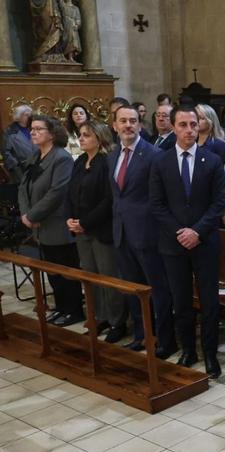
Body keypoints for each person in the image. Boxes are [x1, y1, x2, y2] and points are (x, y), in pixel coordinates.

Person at [149, 105, 225, 379]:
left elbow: (218, 204)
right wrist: (181, 232)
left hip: (205, 243)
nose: (189, 130)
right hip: (173, 244)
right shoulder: (161, 162)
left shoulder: (213, 160)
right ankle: (188, 351)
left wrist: (197, 232)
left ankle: (211, 354)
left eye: (193, 124)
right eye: (183, 125)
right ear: (173, 127)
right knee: (180, 301)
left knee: (209, 302)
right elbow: (157, 205)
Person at [109, 105, 174, 352]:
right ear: (114, 125)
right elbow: (117, 196)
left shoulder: (154, 155)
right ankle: (142, 335)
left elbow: (160, 198)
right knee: (133, 289)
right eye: (123, 121)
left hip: (148, 234)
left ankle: (164, 340)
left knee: (157, 290)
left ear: (140, 124)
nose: (128, 125)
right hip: (122, 233)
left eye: (133, 121)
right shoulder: (113, 156)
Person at [19, 115, 84, 327]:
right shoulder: (35, 156)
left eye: (38, 129)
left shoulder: (61, 158)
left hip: (57, 224)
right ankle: (61, 307)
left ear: (52, 133)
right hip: (39, 225)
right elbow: (23, 187)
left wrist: (32, 215)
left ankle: (74, 310)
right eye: (32, 129)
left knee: (66, 270)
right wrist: (25, 215)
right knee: (52, 271)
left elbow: (57, 193)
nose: (33, 132)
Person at [65, 120, 126, 335]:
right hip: (82, 230)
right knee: (90, 277)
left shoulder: (107, 162)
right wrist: (70, 219)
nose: (81, 138)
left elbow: (108, 200)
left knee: (108, 277)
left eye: (86, 135)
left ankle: (117, 322)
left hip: (101, 230)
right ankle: (100, 316)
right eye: (80, 134)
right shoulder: (80, 161)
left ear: (99, 139)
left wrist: (85, 222)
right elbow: (71, 193)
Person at [3, 104, 37, 184]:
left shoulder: (35, 128)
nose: (29, 117)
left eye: (30, 114)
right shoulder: (10, 132)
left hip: (39, 166)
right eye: (26, 115)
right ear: (18, 117)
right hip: (21, 170)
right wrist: (15, 167)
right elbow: (6, 152)